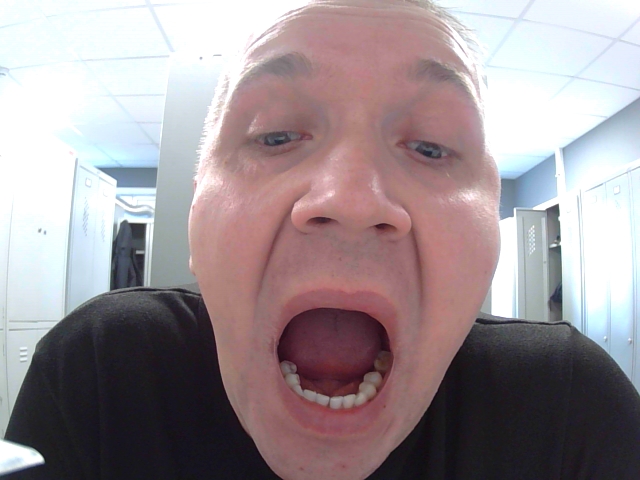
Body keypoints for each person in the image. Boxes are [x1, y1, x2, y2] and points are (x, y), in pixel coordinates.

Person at [5, 0, 640, 478]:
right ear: (196, 215)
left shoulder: (569, 409)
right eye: (275, 135)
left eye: (430, 147)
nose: (351, 201)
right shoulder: (101, 374)